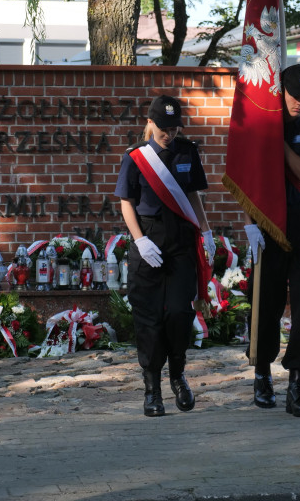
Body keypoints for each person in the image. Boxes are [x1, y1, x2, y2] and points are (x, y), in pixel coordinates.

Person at [115, 95, 216, 417]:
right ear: (150, 122)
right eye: (163, 128)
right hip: (148, 241)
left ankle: (178, 374)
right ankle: (152, 389)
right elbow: (126, 201)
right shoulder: (135, 158)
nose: (168, 134)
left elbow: (192, 195)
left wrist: (207, 231)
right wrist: (140, 240)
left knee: (178, 314)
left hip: (181, 244)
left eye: (173, 129)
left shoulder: (187, 151)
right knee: (148, 320)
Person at [245, 64, 300, 417]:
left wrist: (277, 141)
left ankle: (297, 383)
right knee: (267, 303)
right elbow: (245, 176)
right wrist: (247, 222)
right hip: (268, 224)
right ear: (280, 92)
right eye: (294, 94)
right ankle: (262, 373)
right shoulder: (258, 126)